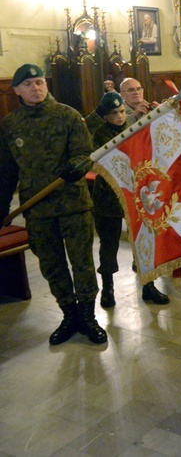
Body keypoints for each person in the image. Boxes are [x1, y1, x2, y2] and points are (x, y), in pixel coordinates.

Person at [0, 64, 107, 345]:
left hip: (73, 205)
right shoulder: (10, 125)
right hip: (38, 211)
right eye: (28, 85)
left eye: (39, 82)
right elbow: (7, 171)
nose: (35, 88)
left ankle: (88, 317)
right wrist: (2, 208)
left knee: (82, 263)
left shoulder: (67, 116)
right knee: (52, 266)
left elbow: (85, 154)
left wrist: (76, 166)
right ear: (16, 91)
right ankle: (69, 314)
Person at [90, 93, 169, 308]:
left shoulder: (134, 129)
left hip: (137, 194)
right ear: (105, 115)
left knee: (143, 241)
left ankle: (149, 286)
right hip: (109, 196)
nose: (119, 116)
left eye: (122, 112)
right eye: (114, 113)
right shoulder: (98, 134)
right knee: (109, 244)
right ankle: (108, 288)